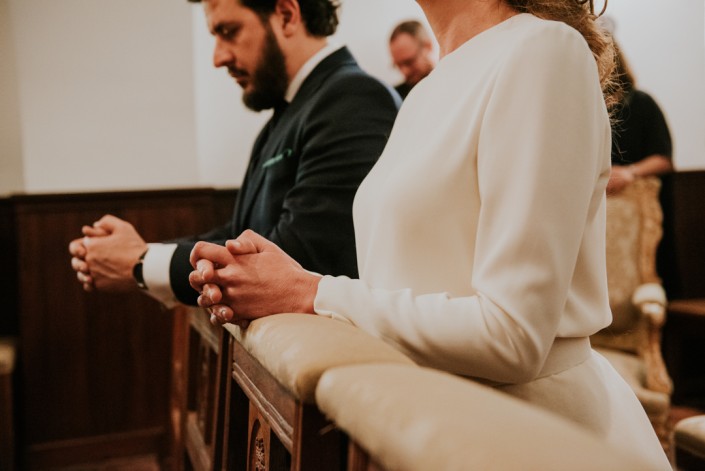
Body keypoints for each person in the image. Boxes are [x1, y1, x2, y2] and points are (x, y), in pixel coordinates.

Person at [189, 0, 671, 468]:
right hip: (421, 414)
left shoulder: (544, 49)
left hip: (527, 431)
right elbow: (408, 283)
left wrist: (310, 292)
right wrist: (290, 279)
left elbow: (512, 337)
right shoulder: (424, 90)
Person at [68, 0, 400, 306]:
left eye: (229, 32)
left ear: (286, 14)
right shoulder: (286, 114)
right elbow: (240, 235)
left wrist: (140, 264)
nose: (218, 58)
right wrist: (134, 253)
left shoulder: (353, 97)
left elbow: (299, 259)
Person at [607, 44, 673, 195]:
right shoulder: (586, 107)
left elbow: (663, 158)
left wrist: (628, 172)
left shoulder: (642, 102)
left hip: (636, 200)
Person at [388, 20, 436, 99]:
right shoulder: (394, 98)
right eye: (398, 65)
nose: (404, 72)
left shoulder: (452, 83)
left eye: (408, 62)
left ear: (428, 46)